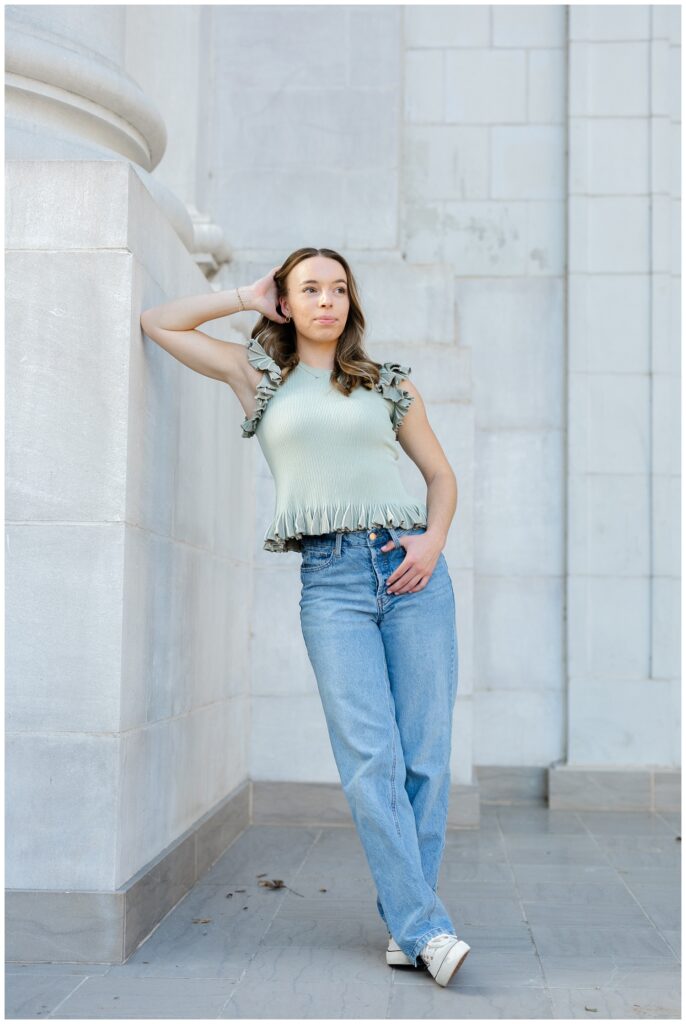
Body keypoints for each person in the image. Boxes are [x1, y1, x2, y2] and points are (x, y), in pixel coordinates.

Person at [140, 246, 470, 987]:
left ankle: (408, 925)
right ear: (286, 301)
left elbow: (441, 476)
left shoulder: (388, 384)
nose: (328, 300)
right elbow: (160, 322)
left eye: (340, 288)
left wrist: (434, 540)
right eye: (309, 288)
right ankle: (424, 926)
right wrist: (242, 296)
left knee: (424, 757)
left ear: (353, 303)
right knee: (369, 761)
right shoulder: (258, 377)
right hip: (331, 582)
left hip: (411, 569)